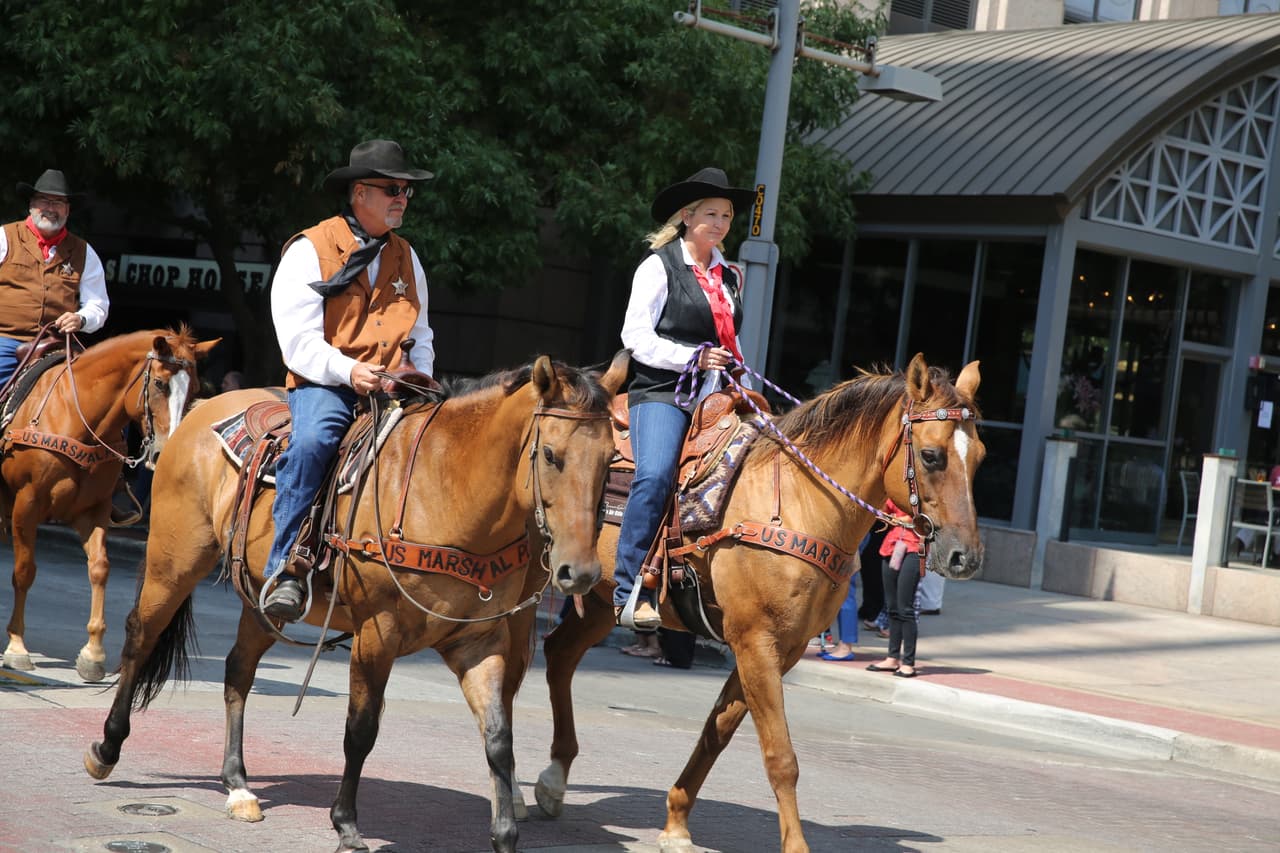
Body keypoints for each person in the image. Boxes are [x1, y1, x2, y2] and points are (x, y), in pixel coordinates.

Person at [261, 139, 436, 621]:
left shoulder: (408, 257)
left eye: (407, 191)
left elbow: (420, 334)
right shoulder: (308, 249)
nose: (402, 197)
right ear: (360, 192)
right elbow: (296, 341)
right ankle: (287, 568)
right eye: (392, 189)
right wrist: (350, 370)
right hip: (327, 383)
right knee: (315, 441)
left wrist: (419, 377)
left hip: (395, 388)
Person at [613, 167, 755, 630]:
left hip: (715, 393)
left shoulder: (730, 275)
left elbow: (727, 341)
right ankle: (627, 585)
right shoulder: (658, 265)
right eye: (711, 214)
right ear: (687, 217)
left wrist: (732, 373)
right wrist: (691, 358)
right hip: (661, 390)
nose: (720, 223)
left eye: (727, 215)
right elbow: (635, 336)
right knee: (655, 475)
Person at [0, 169, 109, 389]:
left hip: (56, 345)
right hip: (4, 342)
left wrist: (80, 319)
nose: (50, 208)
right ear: (31, 204)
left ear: (68, 210)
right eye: (44, 200)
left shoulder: (84, 252)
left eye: (58, 202)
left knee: (99, 397)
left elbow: (98, 305)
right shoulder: (4, 237)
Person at [866, 500, 925, 678]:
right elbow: (883, 512)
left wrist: (901, 518)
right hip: (891, 546)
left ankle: (908, 662)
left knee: (905, 608)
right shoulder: (895, 492)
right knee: (892, 606)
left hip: (914, 547)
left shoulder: (923, 490)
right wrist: (887, 514)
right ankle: (892, 658)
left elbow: (922, 518)